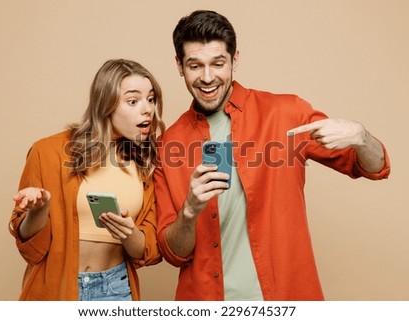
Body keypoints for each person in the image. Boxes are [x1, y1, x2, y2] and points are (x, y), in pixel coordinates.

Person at [154, 10, 391, 301]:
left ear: (235, 59)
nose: (207, 77)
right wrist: (189, 211)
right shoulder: (169, 143)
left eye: (218, 63)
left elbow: (374, 167)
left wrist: (360, 136)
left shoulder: (286, 112)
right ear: (179, 65)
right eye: (195, 65)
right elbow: (174, 253)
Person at [9, 58, 165, 300]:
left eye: (151, 99)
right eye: (133, 101)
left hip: (116, 289)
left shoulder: (147, 163)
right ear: (106, 104)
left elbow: (148, 251)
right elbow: (30, 249)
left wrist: (128, 234)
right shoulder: (48, 152)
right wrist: (39, 210)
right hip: (57, 289)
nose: (147, 109)